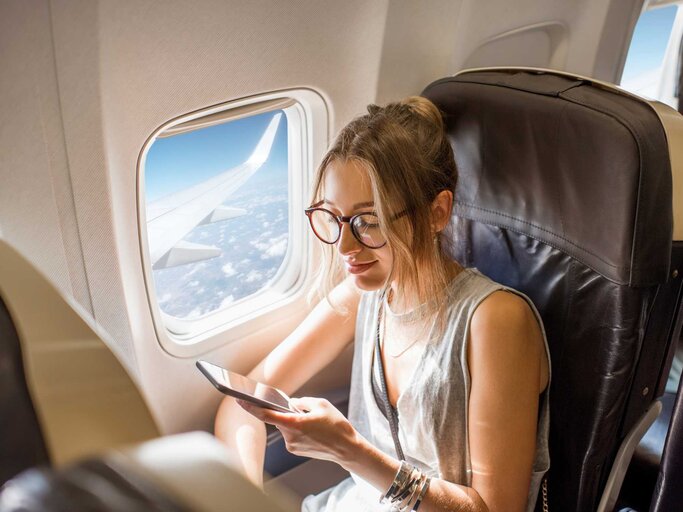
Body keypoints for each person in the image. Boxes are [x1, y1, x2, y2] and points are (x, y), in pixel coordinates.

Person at [214, 97, 551, 512]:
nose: (345, 246)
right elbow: (240, 401)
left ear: (437, 212)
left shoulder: (496, 322)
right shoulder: (364, 296)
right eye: (334, 218)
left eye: (368, 222)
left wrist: (351, 451)